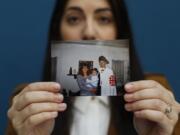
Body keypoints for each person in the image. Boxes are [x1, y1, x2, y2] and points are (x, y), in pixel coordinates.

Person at [6, 0, 180, 135]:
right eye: (73, 19)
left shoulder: (156, 95)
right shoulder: (28, 104)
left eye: (104, 19)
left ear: (119, 30)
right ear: (58, 31)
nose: (89, 32)